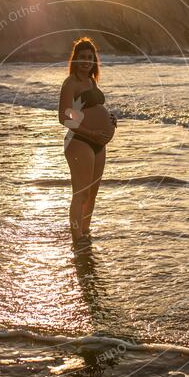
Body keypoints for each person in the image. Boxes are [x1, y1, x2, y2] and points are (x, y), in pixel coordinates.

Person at [58, 37, 117, 249]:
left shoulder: (92, 82)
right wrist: (91, 131)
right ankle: (77, 239)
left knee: (92, 193)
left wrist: (109, 119)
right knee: (80, 193)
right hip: (79, 141)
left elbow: (87, 111)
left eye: (90, 58)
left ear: (94, 61)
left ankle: (85, 232)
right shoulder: (70, 83)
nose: (86, 61)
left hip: (98, 144)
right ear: (75, 59)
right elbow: (65, 117)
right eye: (82, 57)